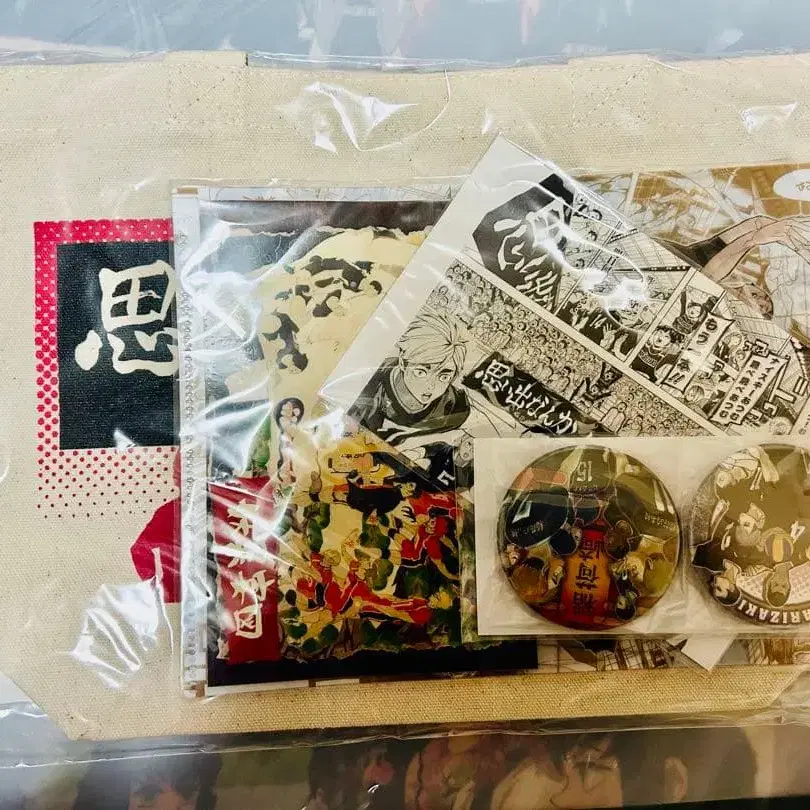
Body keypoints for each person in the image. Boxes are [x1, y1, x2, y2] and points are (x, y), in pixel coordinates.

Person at [351, 311, 471, 448]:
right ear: (403, 362)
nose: (431, 386)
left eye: (444, 377)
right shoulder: (371, 385)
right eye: (421, 372)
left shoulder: (454, 406)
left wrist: (413, 436)